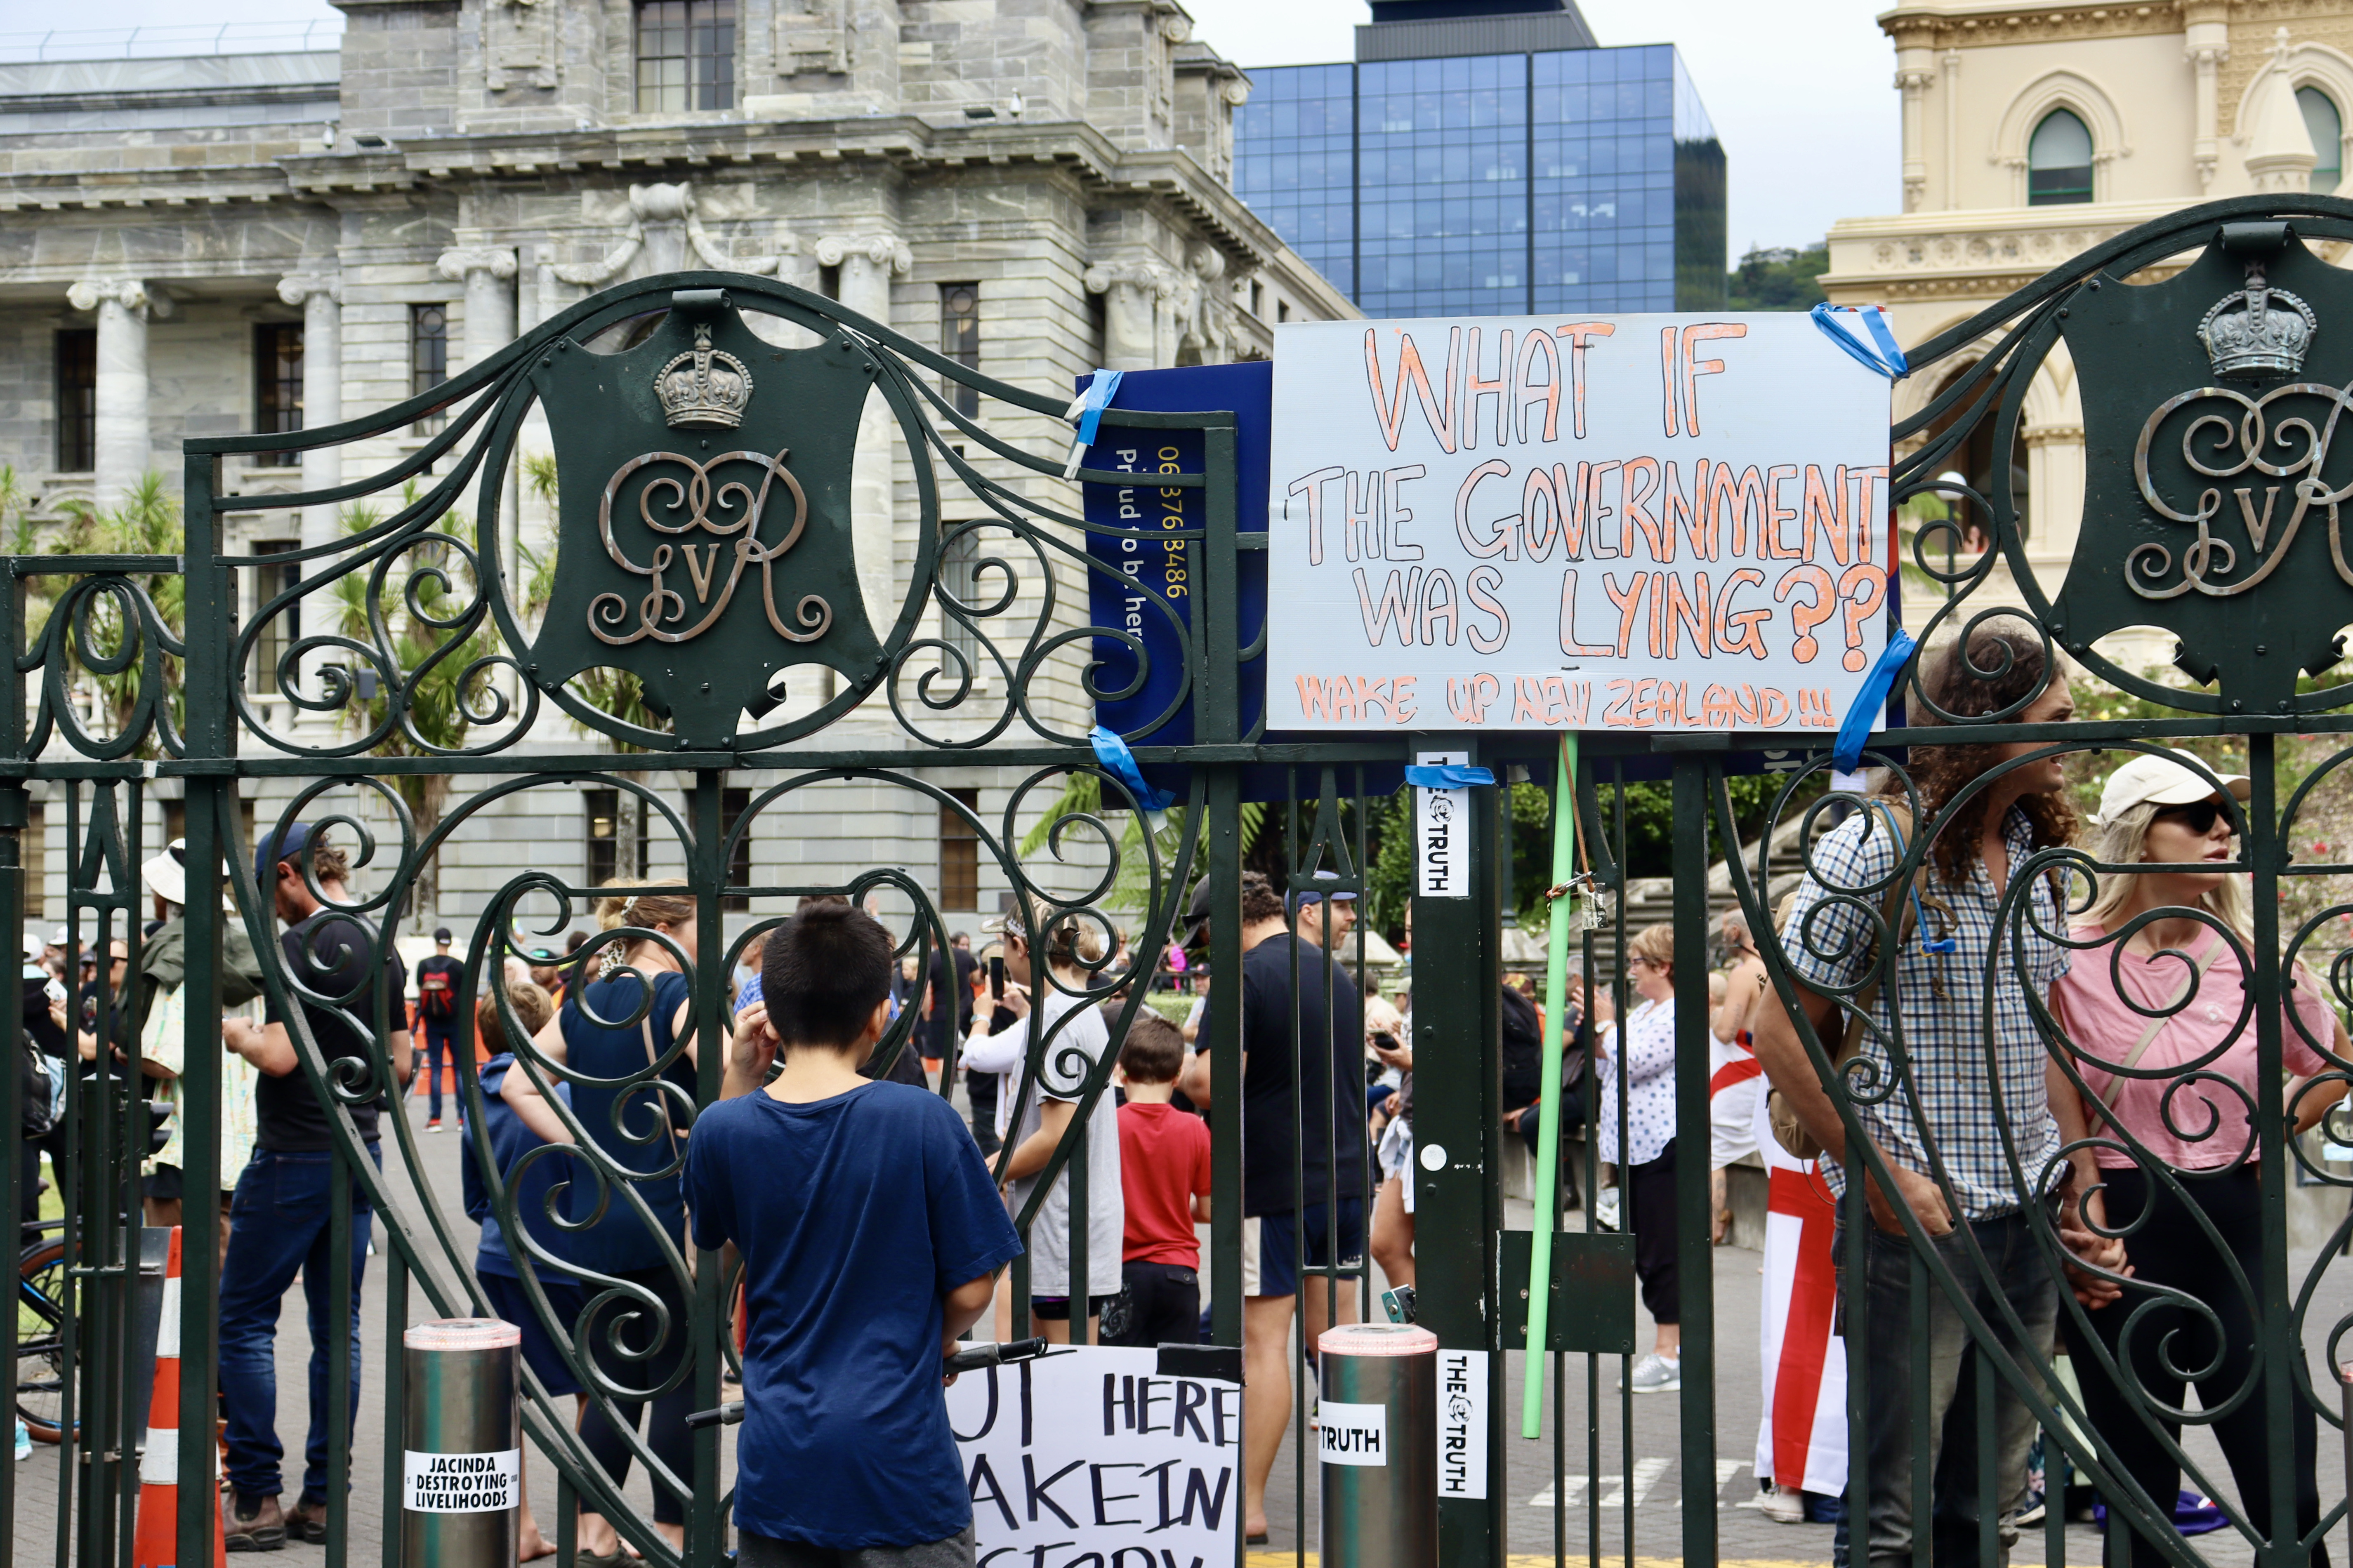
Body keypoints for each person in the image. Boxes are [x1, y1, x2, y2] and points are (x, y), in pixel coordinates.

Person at [1752, 626, 2116, 1568]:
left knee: (1987, 1507)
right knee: (1891, 1518)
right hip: (1912, 1218)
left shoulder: (2036, 850)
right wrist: (1874, 1172)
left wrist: (2075, 1182)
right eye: (2055, 721)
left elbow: (2036, 1034)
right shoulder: (1879, 846)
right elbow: (1776, 1030)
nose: (2071, 741)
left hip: (2024, 1212)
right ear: (1988, 724)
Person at [2046, 749, 2348, 1568]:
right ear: (2140, 836)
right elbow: (2053, 1082)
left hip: (2233, 1215)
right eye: (2198, 814)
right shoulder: (2067, 956)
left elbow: (2329, 1062)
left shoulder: (2255, 957)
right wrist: (2080, 1195)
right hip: (2121, 1223)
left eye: (2227, 814)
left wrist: (2266, 1124)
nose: (2223, 830)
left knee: (2282, 1482)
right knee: (2138, 1491)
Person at [696, 901, 1021, 1566]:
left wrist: (739, 1076)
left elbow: (709, 1249)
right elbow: (971, 1286)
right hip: (898, 1465)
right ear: (880, 1012)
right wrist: (930, 1342)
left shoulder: (721, 1129)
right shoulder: (922, 1120)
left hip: (780, 1460)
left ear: (769, 1016)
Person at [218, 824, 412, 1550]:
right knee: (340, 1328)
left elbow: (276, 1053)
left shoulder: (301, 944)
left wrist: (238, 1032)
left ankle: (258, 1496)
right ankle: (325, 1498)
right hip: (358, 1153)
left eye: (270, 890)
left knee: (242, 1319)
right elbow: (401, 1064)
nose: (269, 908)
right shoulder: (380, 941)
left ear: (292, 874)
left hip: (293, 1152)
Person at [501, 881, 699, 1561]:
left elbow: (516, 1081)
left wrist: (585, 1143)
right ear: (670, 925)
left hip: (594, 1213)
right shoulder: (675, 995)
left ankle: (593, 1529)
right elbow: (736, 1084)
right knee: (680, 1374)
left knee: (613, 1379)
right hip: (665, 1208)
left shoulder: (586, 997)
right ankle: (674, 1528)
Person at [1177, 869, 1367, 1544]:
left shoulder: (1248, 975)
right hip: (1344, 1180)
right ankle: (1372, 1487)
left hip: (1273, 1182)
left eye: (1203, 940)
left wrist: (1177, 1064)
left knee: (1264, 1344)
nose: (1206, 953)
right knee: (1336, 1342)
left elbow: (1209, 1082)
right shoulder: (1334, 974)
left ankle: (1249, 1505)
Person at [960, 899, 1122, 1342]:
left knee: (1066, 1371)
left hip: (1062, 1225)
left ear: (1019, 945)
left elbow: (1055, 1136)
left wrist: (987, 1170)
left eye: (1003, 945)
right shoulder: (1074, 1008)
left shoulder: (1058, 1017)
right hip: (1069, 1221)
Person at [462, 980, 572, 1563]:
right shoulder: (566, 1090)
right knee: (596, 1388)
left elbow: (473, 1193)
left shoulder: (476, 1095)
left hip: (500, 1252)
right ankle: (592, 1519)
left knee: (512, 1390)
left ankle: (522, 1522)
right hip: (564, 1255)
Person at [1592, 922, 1683, 1392]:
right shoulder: (1648, 1011)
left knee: (1660, 1249)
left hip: (1660, 1144)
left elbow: (1637, 1060)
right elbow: (1611, 1063)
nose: (1631, 973)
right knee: (1645, 1247)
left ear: (1663, 966)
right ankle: (1668, 1345)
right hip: (1633, 1146)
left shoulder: (1675, 1013)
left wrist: (1608, 1025)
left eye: (1637, 963)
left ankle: (1670, 1350)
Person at [1104, 1011, 1210, 1348]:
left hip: (1121, 1271)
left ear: (1121, 1071)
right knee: (1176, 1382)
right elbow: (1209, 1210)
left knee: (1118, 1381)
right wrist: (1171, 1204)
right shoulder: (1194, 1128)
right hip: (1178, 1274)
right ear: (1178, 1075)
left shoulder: (1108, 1126)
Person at [1709, 913, 1768, 1243]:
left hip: (1743, 1074)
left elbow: (1726, 1032)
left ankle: (1716, 1224)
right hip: (1764, 1068)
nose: (1723, 940)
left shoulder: (1744, 973)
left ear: (1736, 932)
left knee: (1713, 1150)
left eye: (1723, 933)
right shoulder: (1771, 967)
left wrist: (1716, 1015)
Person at [415, 927, 462, 1131]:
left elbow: (420, 991)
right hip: (456, 1022)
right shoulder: (459, 966)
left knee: (436, 1069)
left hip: (432, 1023)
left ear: (435, 942)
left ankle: (435, 1120)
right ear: (450, 943)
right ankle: (463, 1118)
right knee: (460, 1070)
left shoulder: (424, 965)